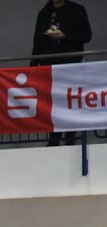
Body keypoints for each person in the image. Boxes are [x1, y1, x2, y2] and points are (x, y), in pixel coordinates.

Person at [31, 0, 91, 147]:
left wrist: (64, 37)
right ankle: (54, 137)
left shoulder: (77, 10)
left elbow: (87, 35)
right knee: (52, 102)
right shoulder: (44, 13)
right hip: (49, 65)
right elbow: (37, 41)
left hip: (70, 65)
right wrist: (33, 66)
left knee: (70, 101)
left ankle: (70, 137)